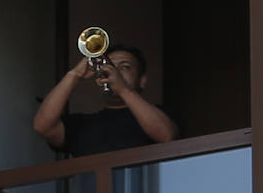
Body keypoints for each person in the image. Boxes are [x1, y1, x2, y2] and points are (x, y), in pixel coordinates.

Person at [33, 44, 178, 157]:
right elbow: (43, 126)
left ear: (142, 81)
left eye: (125, 67)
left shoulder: (161, 114)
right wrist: (75, 74)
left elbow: (166, 135)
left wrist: (123, 89)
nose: (114, 71)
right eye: (109, 66)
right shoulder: (82, 124)